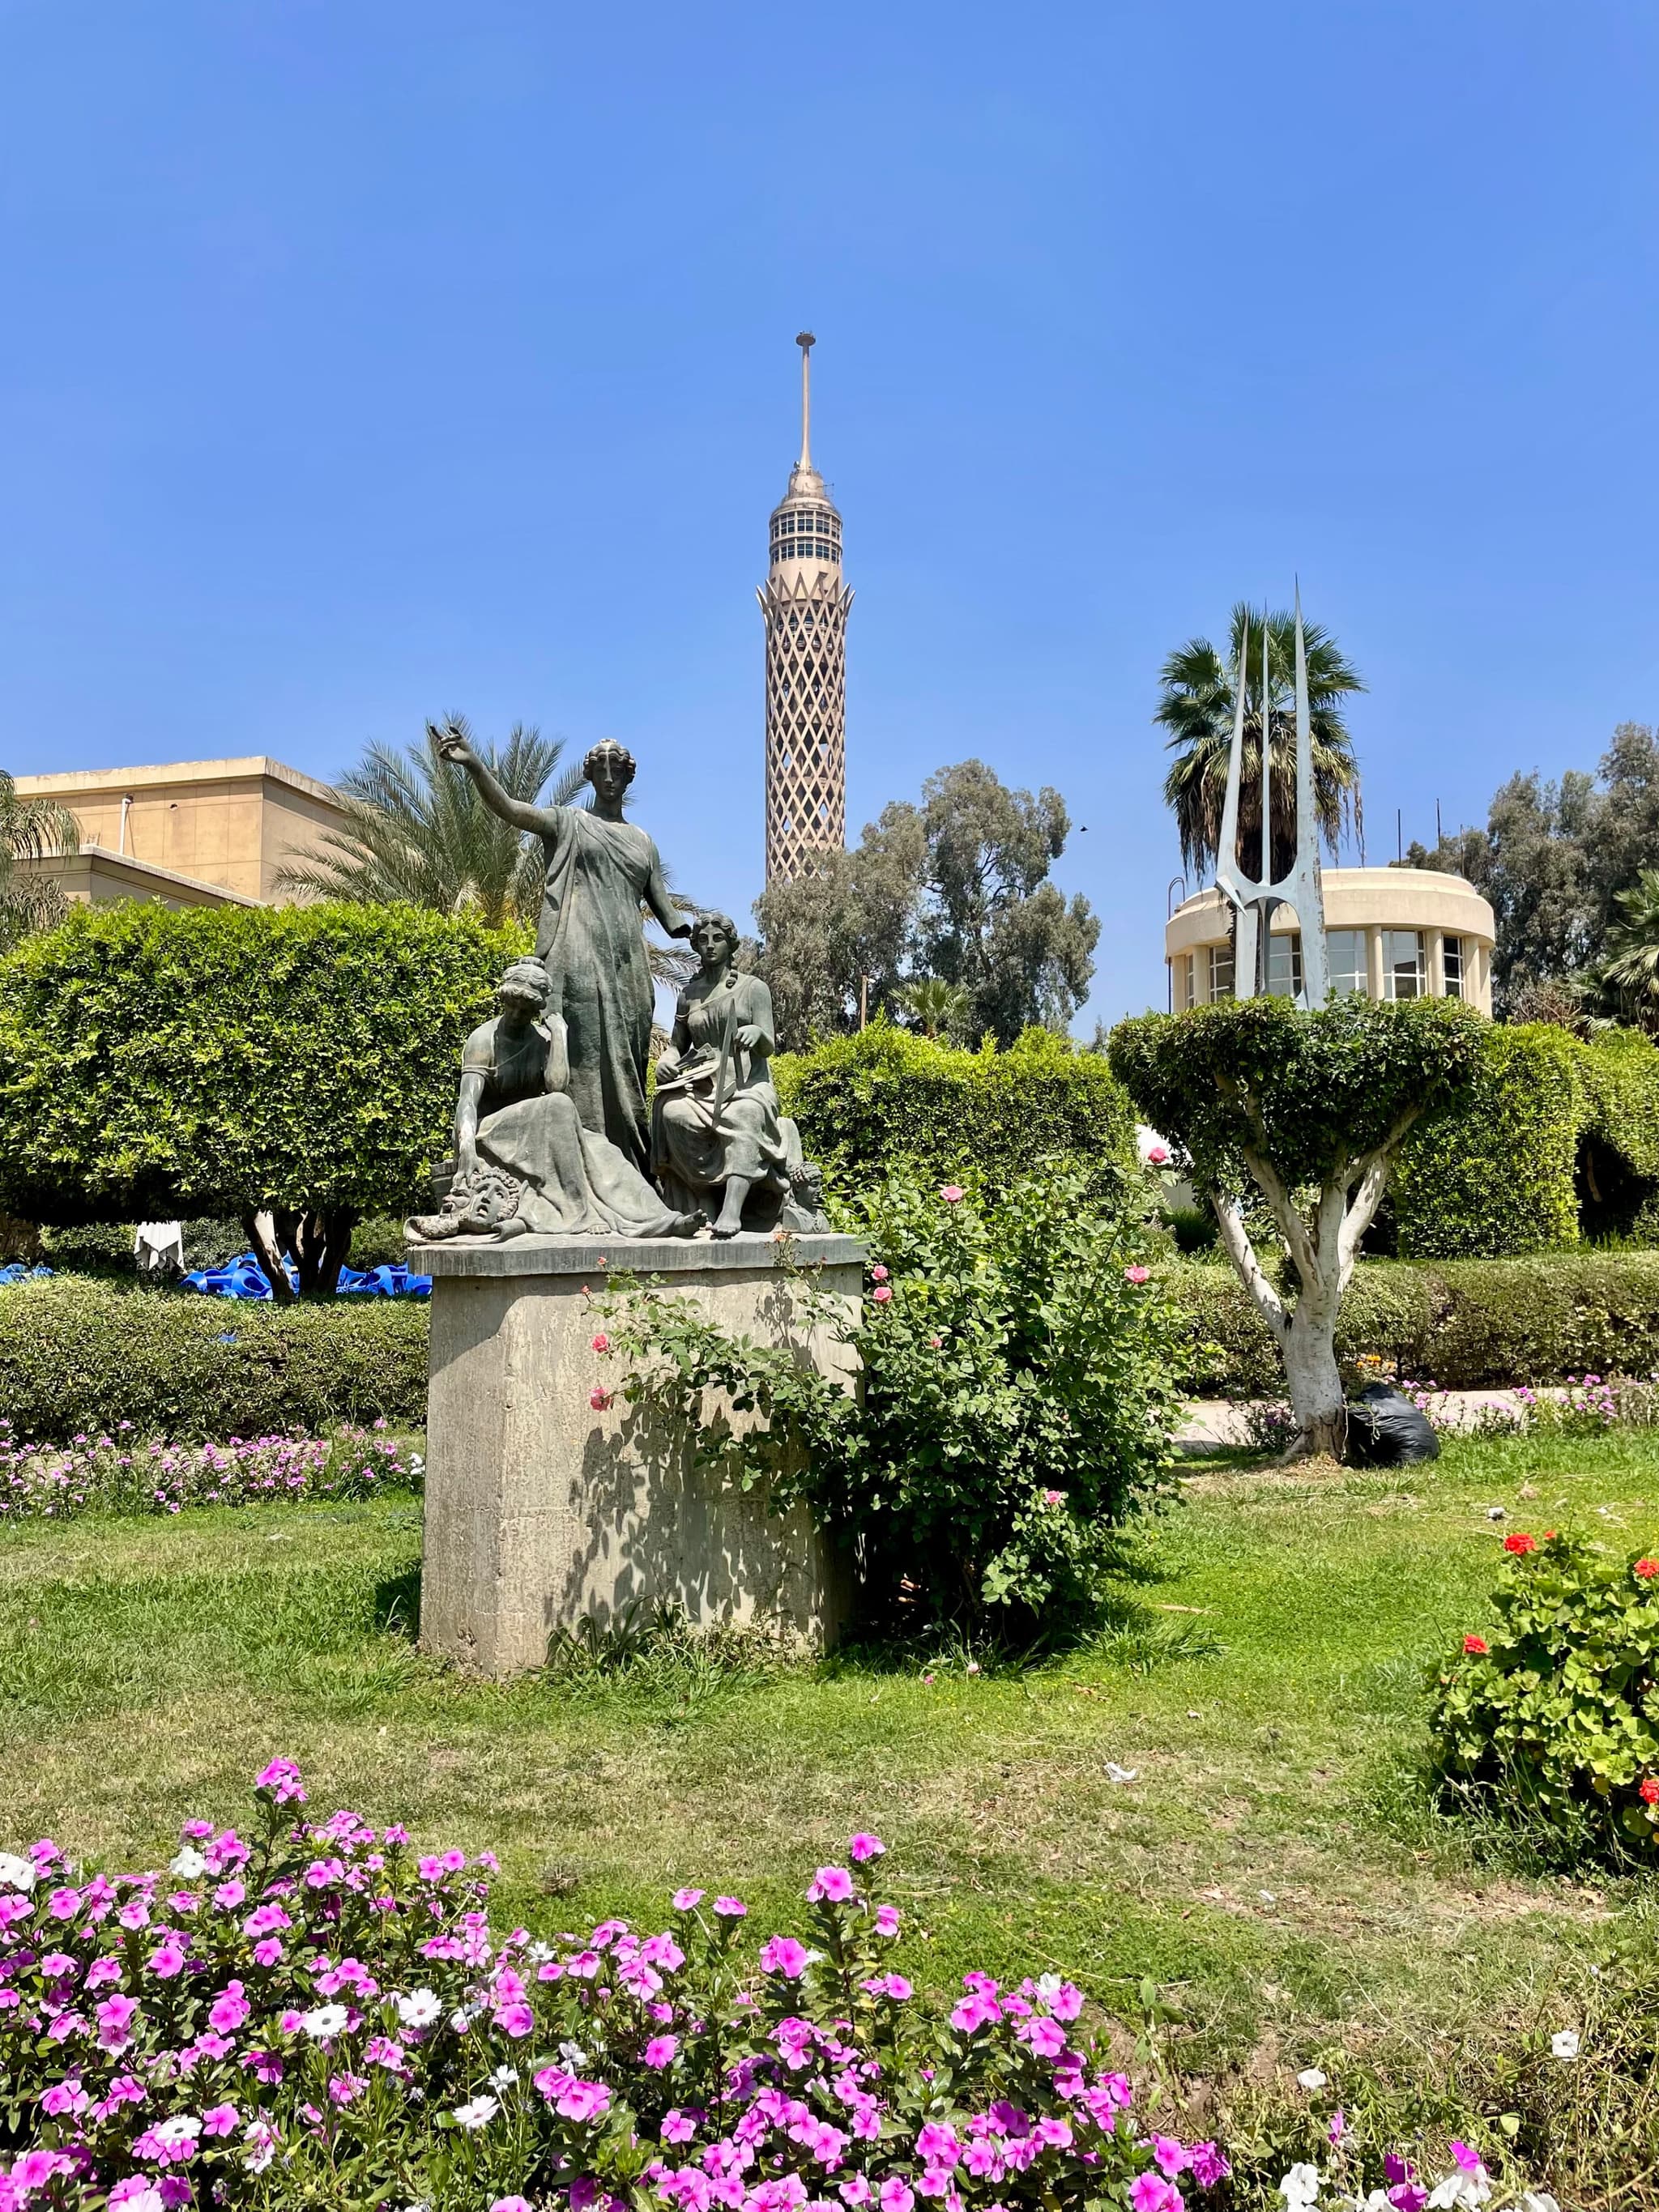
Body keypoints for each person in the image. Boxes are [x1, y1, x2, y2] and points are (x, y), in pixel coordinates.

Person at [433, 722, 689, 1174]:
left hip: (628, 964)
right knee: (577, 1056)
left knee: (627, 1066)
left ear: (629, 777)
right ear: (589, 776)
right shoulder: (568, 822)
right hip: (574, 952)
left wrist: (699, 933)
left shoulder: (643, 843)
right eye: (601, 767)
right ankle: (579, 1164)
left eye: (618, 768)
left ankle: (629, 1166)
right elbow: (512, 810)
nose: (609, 775)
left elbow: (670, 917)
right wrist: (473, 766)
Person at [408, 959, 697, 1242]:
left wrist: (559, 1035)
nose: (517, 1014)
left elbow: (557, 1085)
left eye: (526, 1009)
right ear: (504, 1001)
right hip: (489, 1130)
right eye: (512, 1005)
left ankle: (659, 1219)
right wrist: (467, 1146)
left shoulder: (541, 1038)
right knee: (558, 1105)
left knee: (605, 1152)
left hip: (537, 1127)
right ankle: (577, 1212)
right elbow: (467, 1102)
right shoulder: (483, 1039)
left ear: (536, 1010)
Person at [651, 912, 808, 1238]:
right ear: (694, 945)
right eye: (703, 940)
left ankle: (732, 1209)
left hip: (747, 1084)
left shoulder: (754, 988)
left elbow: (769, 1044)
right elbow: (677, 1045)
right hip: (701, 1083)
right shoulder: (688, 994)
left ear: (730, 944)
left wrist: (755, 1033)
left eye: (717, 939)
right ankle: (705, 1200)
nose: (710, 946)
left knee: (745, 1114)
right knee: (672, 1112)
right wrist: (666, 1058)